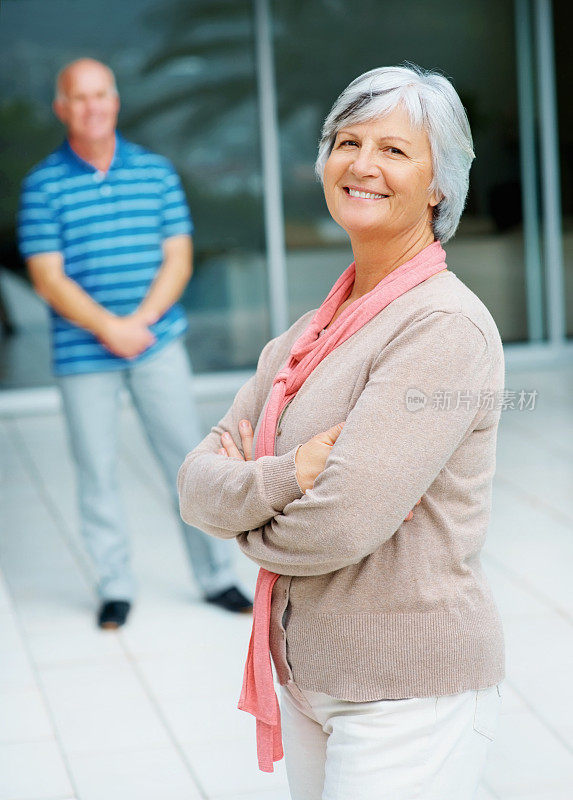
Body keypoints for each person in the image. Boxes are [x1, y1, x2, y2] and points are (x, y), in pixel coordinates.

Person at [178, 63, 505, 799]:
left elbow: (338, 526)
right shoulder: (307, 333)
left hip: (404, 696)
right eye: (347, 141)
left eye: (394, 149)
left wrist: (245, 517)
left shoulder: (441, 327)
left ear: (438, 184)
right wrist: (289, 476)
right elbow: (195, 484)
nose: (362, 164)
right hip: (308, 676)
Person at [17, 58, 252, 629]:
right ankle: (115, 586)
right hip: (82, 356)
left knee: (188, 462)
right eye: (79, 97)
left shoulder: (157, 173)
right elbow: (48, 277)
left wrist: (139, 323)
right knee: (95, 470)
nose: (92, 106)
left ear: (115, 101)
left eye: (101, 94)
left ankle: (217, 577)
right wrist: (109, 328)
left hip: (157, 342)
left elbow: (178, 257)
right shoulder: (42, 185)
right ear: (62, 108)